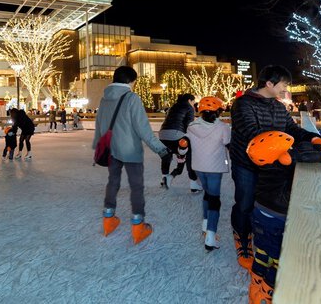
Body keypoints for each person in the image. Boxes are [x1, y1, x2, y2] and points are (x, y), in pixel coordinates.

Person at [229, 65, 321, 271]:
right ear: (269, 83)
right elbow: (253, 133)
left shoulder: (278, 106)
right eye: (283, 84)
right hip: (246, 164)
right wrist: (287, 151)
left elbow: (291, 128)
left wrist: (313, 138)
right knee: (245, 202)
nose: (286, 89)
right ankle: (242, 237)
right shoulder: (242, 104)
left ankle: (262, 235)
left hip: (273, 165)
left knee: (266, 203)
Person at [246, 131, 321, 303]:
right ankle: (266, 293)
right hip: (278, 218)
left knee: (263, 251)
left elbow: (299, 150)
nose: (291, 149)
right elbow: (305, 156)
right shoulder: (284, 162)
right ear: (281, 153)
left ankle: (255, 285)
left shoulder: (267, 166)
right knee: (281, 257)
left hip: (259, 213)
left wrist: (315, 144)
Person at [93, 66, 169, 245]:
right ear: (130, 81)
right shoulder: (132, 98)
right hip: (130, 150)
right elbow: (143, 128)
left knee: (113, 182)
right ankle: (138, 225)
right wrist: (161, 149)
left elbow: (100, 124)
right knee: (136, 186)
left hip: (111, 149)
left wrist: (100, 146)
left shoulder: (104, 99)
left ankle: (108, 219)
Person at [186, 96, 230, 252]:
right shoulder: (223, 127)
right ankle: (211, 236)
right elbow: (228, 143)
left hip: (198, 166)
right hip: (215, 167)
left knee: (207, 194)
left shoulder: (191, 126)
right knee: (214, 199)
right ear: (218, 112)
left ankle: (205, 223)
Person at [158, 93, 201, 192]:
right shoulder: (189, 108)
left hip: (163, 134)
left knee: (167, 156)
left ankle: (165, 177)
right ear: (190, 100)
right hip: (176, 134)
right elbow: (189, 125)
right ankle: (194, 184)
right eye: (193, 101)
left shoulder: (173, 106)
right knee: (189, 153)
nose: (194, 103)